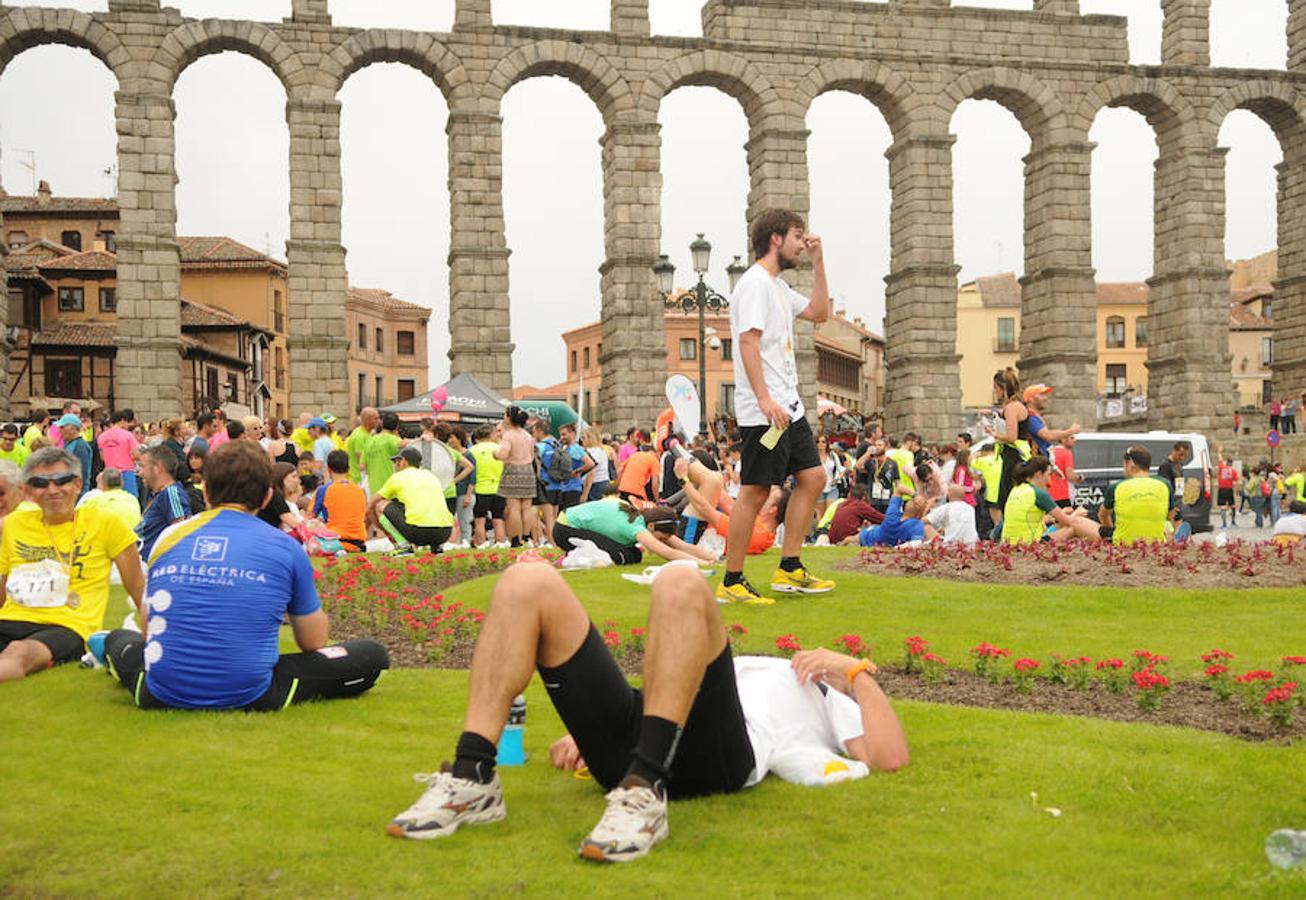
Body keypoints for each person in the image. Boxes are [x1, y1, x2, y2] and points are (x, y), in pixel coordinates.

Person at [386, 563, 908, 858]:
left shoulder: (830, 698)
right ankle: (474, 772)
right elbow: (674, 680)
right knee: (527, 581)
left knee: (680, 580)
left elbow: (888, 756)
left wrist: (855, 671)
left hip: (718, 754)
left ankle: (645, 789)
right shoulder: (758, 667)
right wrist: (590, 732)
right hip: (643, 735)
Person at [101, 440, 388, 709]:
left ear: (208, 493)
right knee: (370, 655)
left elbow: (148, 628)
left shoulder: (169, 536)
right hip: (251, 692)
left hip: (161, 689)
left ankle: (106, 648)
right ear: (266, 498)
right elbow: (313, 642)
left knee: (120, 641)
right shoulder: (286, 547)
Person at [720, 208, 835, 603]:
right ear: (775, 238)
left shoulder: (780, 289)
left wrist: (819, 264)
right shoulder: (753, 284)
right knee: (754, 491)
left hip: (791, 408)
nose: (803, 243)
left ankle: (790, 567)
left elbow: (820, 313)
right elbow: (748, 342)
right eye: (797, 236)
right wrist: (764, 398)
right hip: (764, 411)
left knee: (814, 478)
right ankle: (732, 580)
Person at [0, 448, 145, 682]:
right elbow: (5, 584)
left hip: (66, 626)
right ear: (27, 491)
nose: (53, 490)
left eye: (62, 481)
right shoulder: (14, 524)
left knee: (19, 652)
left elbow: (138, 586)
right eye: (40, 483)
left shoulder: (106, 523)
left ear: (78, 484)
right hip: (10, 619)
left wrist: (157, 636)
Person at [553, 497, 713, 566]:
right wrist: (702, 564)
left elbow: (682, 546)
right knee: (624, 556)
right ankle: (574, 555)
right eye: (661, 538)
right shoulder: (636, 527)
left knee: (634, 555)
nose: (662, 541)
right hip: (566, 529)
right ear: (651, 527)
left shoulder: (643, 519)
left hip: (570, 521)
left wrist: (713, 559)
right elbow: (668, 554)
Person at [368, 446, 454, 554]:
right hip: (444, 533)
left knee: (380, 505)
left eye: (396, 461)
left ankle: (403, 546)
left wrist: (387, 532)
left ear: (403, 461)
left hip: (418, 533)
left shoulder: (398, 477)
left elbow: (372, 504)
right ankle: (437, 548)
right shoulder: (431, 475)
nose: (395, 465)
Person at [1004, 457, 1103, 545]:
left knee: (1062, 523)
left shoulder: (1017, 489)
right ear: (1039, 474)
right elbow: (1069, 521)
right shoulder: (1039, 493)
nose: (1049, 478)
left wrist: (1058, 516)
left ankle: (1104, 535)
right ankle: (1105, 539)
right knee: (1075, 524)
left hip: (1010, 541)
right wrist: (1077, 513)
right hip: (1030, 543)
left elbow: (1029, 519)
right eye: (1048, 474)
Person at [1097, 445, 1178, 544]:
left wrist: (1112, 530)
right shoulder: (1165, 485)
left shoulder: (1116, 487)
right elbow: (1170, 518)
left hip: (1123, 544)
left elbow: (1103, 516)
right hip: (1156, 545)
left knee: (1077, 522)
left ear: (1130, 463)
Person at [983, 367, 1031, 526]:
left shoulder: (1011, 408)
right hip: (1016, 456)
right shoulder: (1017, 405)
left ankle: (1005, 535)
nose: (995, 392)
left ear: (1002, 388)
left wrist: (994, 434)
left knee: (1008, 500)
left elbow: (1011, 437)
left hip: (1013, 457)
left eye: (996, 388)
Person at [136, 444, 195, 560]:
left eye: (143, 467)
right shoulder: (157, 494)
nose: (140, 472)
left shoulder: (171, 493)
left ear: (158, 468)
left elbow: (181, 530)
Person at [494, 406, 538, 548]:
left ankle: (515, 540)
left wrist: (495, 454)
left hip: (512, 471)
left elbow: (503, 455)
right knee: (526, 507)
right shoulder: (527, 435)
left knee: (513, 508)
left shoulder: (508, 435)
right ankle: (526, 536)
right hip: (528, 471)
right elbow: (531, 456)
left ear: (508, 418)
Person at [313, 450, 368, 552]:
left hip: (335, 541)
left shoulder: (324, 490)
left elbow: (311, 516)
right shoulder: (360, 490)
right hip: (359, 542)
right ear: (348, 469)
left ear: (328, 469)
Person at [858, 486, 936, 547]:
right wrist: (915, 496)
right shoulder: (895, 514)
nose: (915, 501)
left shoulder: (915, 524)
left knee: (850, 539)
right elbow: (899, 489)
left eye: (918, 503)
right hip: (872, 532)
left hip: (867, 537)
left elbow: (916, 544)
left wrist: (916, 496)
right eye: (913, 500)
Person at [469, 425, 507, 547]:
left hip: (480, 489)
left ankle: (482, 544)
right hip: (499, 488)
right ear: (491, 435)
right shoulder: (500, 448)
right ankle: (500, 544)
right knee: (498, 519)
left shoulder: (472, 450)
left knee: (479, 520)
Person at [544, 423, 593, 514]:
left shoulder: (575, 448)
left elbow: (590, 463)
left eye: (564, 434)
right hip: (564, 488)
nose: (562, 437)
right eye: (561, 435)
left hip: (572, 489)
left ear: (572, 434)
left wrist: (577, 471)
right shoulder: (565, 448)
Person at [77, 467, 143, 531]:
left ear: (101, 483)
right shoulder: (133, 500)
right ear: (122, 483)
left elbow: (75, 520)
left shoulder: (94, 497)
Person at [1023, 385, 1079, 457]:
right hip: (1036, 463)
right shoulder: (1031, 417)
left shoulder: (1033, 416)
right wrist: (1071, 431)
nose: (1045, 398)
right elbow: (1048, 436)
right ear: (1030, 399)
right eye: (1041, 395)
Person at [363, 412, 403, 494]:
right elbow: (405, 444)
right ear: (397, 426)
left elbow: (362, 466)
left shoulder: (370, 440)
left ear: (382, 423)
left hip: (373, 489)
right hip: (389, 489)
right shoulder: (393, 439)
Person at [259, 462, 305, 532]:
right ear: (282, 478)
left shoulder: (275, 494)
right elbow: (294, 523)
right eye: (293, 476)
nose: (298, 481)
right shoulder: (275, 497)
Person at [56, 413, 92, 496]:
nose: (59, 430)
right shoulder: (68, 444)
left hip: (77, 493)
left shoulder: (80, 446)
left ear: (72, 428)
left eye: (62, 427)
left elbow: (82, 473)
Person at [1155, 442, 1190, 521]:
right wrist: (1171, 507)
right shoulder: (1166, 465)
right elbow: (1164, 488)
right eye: (1180, 454)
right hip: (1171, 505)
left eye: (1184, 455)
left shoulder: (1179, 464)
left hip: (1179, 503)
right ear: (1174, 450)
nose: (1182, 458)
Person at [1047, 434, 1081, 510]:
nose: (1074, 440)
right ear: (1063, 439)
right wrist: (1079, 478)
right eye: (1071, 438)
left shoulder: (1050, 452)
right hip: (1063, 493)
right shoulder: (1066, 453)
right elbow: (1070, 476)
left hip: (1049, 493)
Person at [347, 407, 378, 486]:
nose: (378, 421)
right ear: (367, 420)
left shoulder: (367, 433)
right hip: (359, 479)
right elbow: (360, 460)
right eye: (375, 418)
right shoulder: (360, 436)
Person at [1216, 456, 1240, 527]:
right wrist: (1237, 490)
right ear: (1232, 463)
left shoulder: (1221, 468)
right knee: (1232, 505)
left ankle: (1224, 524)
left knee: (1223, 507)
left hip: (1222, 489)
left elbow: (1220, 459)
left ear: (1226, 462)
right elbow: (1236, 482)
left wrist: (1219, 452)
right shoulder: (1233, 471)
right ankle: (1233, 522)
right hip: (1229, 489)